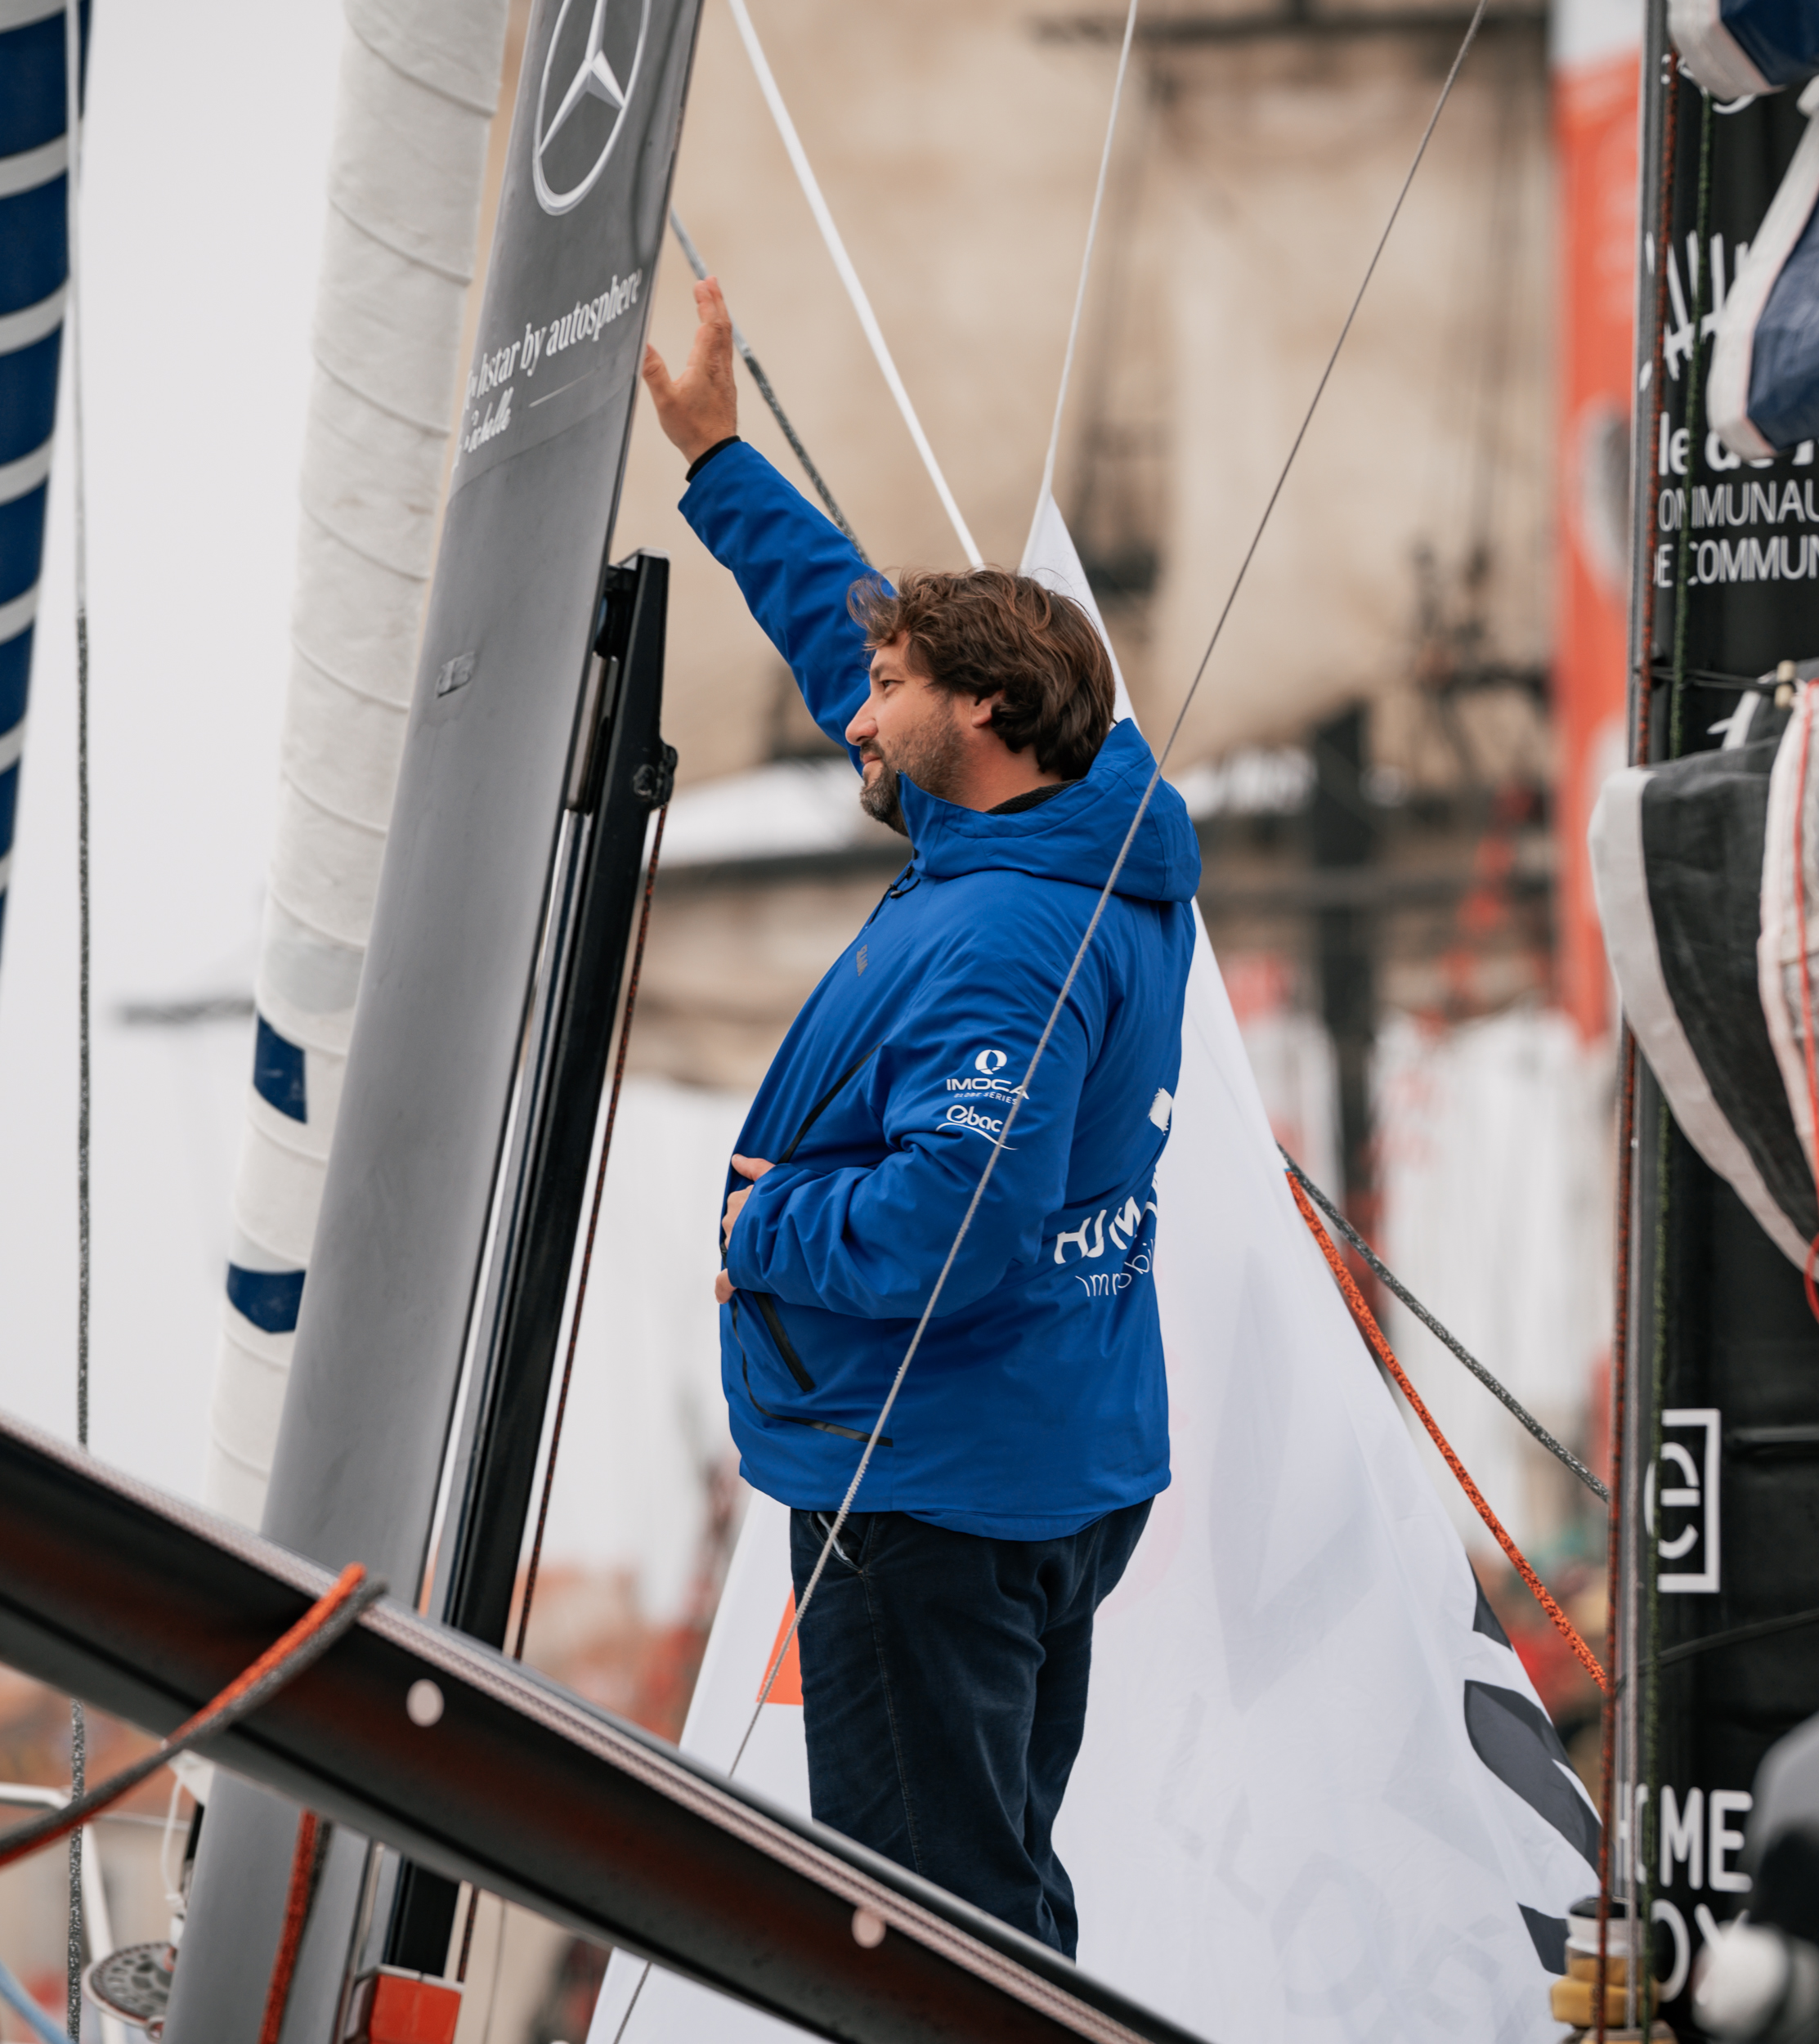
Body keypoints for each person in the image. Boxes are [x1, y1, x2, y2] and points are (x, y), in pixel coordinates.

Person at [640, 280, 1200, 1959]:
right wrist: (719, 460)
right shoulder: (1079, 810)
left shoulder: (1005, 944)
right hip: (1045, 1450)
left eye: (890, 691)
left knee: (926, 1941)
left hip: (937, 1493)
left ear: (983, 718)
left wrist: (757, 1223)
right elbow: (849, 629)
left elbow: (945, 1229)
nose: (858, 713)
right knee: (997, 1899)